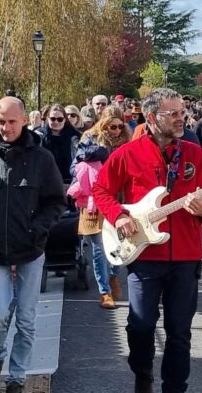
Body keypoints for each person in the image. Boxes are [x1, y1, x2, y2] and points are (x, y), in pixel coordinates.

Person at [92, 88, 202, 393]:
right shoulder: (127, 154)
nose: (180, 118)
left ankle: (175, 387)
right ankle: (142, 373)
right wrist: (119, 216)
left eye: (181, 112)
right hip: (144, 255)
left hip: (186, 256)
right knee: (141, 325)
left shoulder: (194, 153)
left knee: (179, 332)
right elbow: (101, 191)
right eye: (172, 113)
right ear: (151, 118)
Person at [0, 97, 66, 393]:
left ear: (23, 120)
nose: (6, 127)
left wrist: (37, 230)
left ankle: (17, 378)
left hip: (31, 250)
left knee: (27, 318)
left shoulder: (42, 159)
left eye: (11, 121)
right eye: (0, 121)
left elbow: (56, 201)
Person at [69, 106, 131, 309]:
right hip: (94, 201)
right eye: (112, 126)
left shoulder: (128, 141)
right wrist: (93, 157)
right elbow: (74, 167)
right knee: (98, 249)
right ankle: (104, 292)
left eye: (120, 126)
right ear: (103, 124)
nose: (117, 130)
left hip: (120, 199)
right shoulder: (90, 138)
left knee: (121, 246)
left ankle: (113, 276)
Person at [39, 103, 81, 184]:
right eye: (52, 119)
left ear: (65, 119)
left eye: (60, 119)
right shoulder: (39, 136)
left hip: (68, 183)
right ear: (47, 119)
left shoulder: (75, 137)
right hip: (45, 183)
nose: (56, 121)